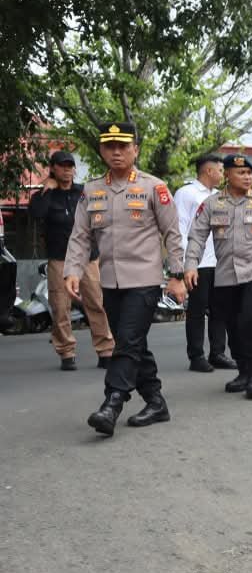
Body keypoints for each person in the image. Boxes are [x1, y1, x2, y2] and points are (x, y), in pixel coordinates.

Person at [64, 121, 186, 437]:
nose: (116, 152)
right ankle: (156, 401)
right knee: (132, 344)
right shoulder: (91, 190)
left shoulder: (153, 187)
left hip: (144, 280)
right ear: (102, 150)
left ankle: (112, 403)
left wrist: (177, 276)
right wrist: (72, 271)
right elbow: (80, 236)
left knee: (128, 341)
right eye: (109, 146)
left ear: (136, 150)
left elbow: (172, 234)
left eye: (123, 146)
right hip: (109, 282)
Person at [184, 154, 252, 400]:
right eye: (241, 173)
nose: (247, 177)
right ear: (227, 174)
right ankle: (243, 371)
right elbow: (196, 236)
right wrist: (190, 265)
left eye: (250, 173)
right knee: (232, 324)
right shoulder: (212, 204)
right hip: (226, 273)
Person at [29, 149, 114, 371]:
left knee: (96, 303)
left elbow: (101, 217)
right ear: (53, 169)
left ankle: (105, 350)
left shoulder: (84, 192)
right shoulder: (45, 196)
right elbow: (36, 214)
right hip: (59, 258)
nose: (67, 170)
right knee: (60, 306)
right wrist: (46, 190)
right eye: (62, 166)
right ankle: (66, 352)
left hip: (88, 257)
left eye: (70, 166)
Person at [174, 154, 232, 372]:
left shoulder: (219, 196)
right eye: (220, 169)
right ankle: (196, 356)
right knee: (197, 311)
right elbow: (179, 229)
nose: (222, 174)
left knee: (220, 310)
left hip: (219, 261)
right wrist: (181, 266)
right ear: (208, 171)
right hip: (196, 263)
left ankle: (218, 352)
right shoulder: (186, 193)